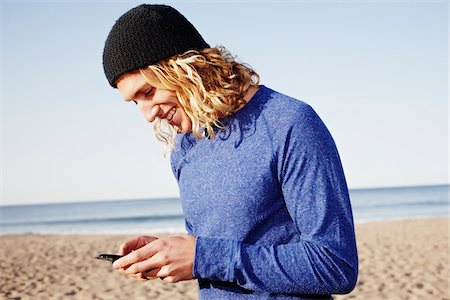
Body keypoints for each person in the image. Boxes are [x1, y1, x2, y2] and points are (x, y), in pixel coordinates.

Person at [102, 4, 358, 300]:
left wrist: (202, 256)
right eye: (135, 103)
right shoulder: (185, 145)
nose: (147, 115)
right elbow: (228, 246)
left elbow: (335, 266)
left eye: (148, 93)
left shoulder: (290, 122)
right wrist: (170, 254)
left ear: (186, 67)